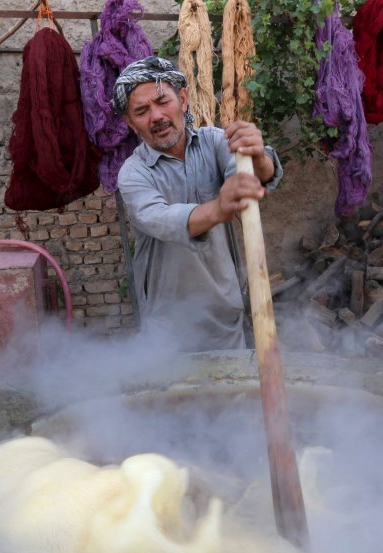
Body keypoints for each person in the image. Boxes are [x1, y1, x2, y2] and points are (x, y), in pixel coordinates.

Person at [112, 56, 283, 351]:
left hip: (225, 317)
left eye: (163, 101)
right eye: (141, 111)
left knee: (233, 395)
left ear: (183, 99)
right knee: (174, 397)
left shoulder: (215, 142)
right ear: (130, 123)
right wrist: (218, 208)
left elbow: (253, 176)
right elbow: (160, 219)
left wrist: (258, 157)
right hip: (167, 329)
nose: (156, 116)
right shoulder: (133, 173)